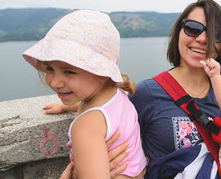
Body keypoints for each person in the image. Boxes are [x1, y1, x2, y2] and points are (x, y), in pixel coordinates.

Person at [46, 0, 221, 178]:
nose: (202, 38)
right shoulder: (149, 92)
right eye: (193, 28)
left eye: (215, 35)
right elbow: (113, 107)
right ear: (179, 34)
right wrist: (69, 105)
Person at [22, 10, 147, 179]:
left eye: (69, 72)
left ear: (101, 73)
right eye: (50, 69)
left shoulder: (85, 126)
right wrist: (63, 107)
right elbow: (90, 105)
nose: (54, 83)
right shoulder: (115, 94)